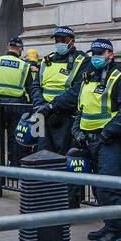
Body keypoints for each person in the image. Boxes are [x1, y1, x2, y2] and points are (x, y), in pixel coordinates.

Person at [65, 39, 121, 241]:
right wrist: (77, 131)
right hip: (88, 140)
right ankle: (108, 224)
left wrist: (106, 134)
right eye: (94, 53)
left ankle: (115, 230)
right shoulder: (89, 77)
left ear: (111, 54)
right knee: (98, 187)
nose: (96, 57)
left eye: (100, 53)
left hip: (110, 141)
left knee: (109, 187)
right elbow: (81, 108)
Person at [30, 26, 86, 154]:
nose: (60, 43)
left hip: (66, 117)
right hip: (43, 116)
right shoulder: (47, 60)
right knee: (42, 154)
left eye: (63, 39)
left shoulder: (82, 60)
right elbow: (35, 86)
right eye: (57, 40)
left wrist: (51, 106)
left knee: (63, 157)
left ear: (72, 41)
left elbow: (77, 91)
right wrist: (40, 105)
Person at [0, 35, 34, 164]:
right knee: (15, 138)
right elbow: (30, 89)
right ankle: (14, 168)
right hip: (17, 105)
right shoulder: (24, 66)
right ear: (20, 50)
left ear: (8, 47)